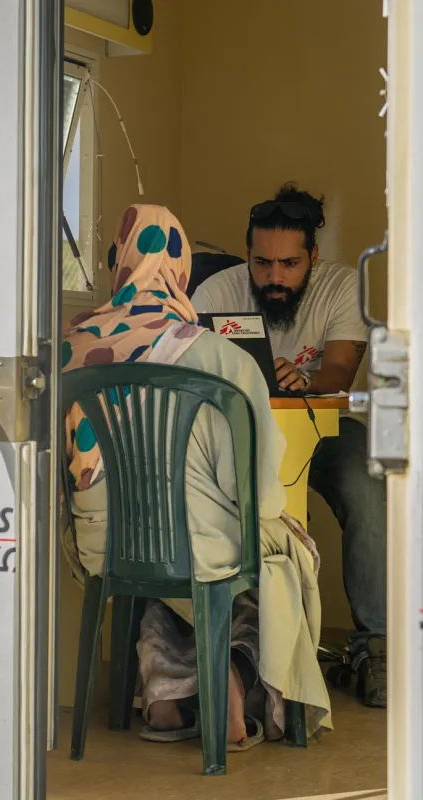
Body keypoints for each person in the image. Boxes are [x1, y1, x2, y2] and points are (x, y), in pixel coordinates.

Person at [60, 204, 332, 749]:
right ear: (181, 271)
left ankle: (164, 696)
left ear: (119, 263)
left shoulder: (72, 345)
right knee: (277, 557)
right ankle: (233, 684)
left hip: (101, 545)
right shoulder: (220, 355)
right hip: (199, 545)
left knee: (161, 579)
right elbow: (254, 493)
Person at [191, 183, 386, 707]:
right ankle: (224, 653)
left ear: (313, 258)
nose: (274, 277)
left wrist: (304, 381)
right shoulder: (214, 293)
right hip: (230, 437)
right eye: (261, 263)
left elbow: (343, 369)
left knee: (369, 480)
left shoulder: (343, 287)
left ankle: (378, 647)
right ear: (247, 253)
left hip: (318, 430)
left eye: (289, 264)